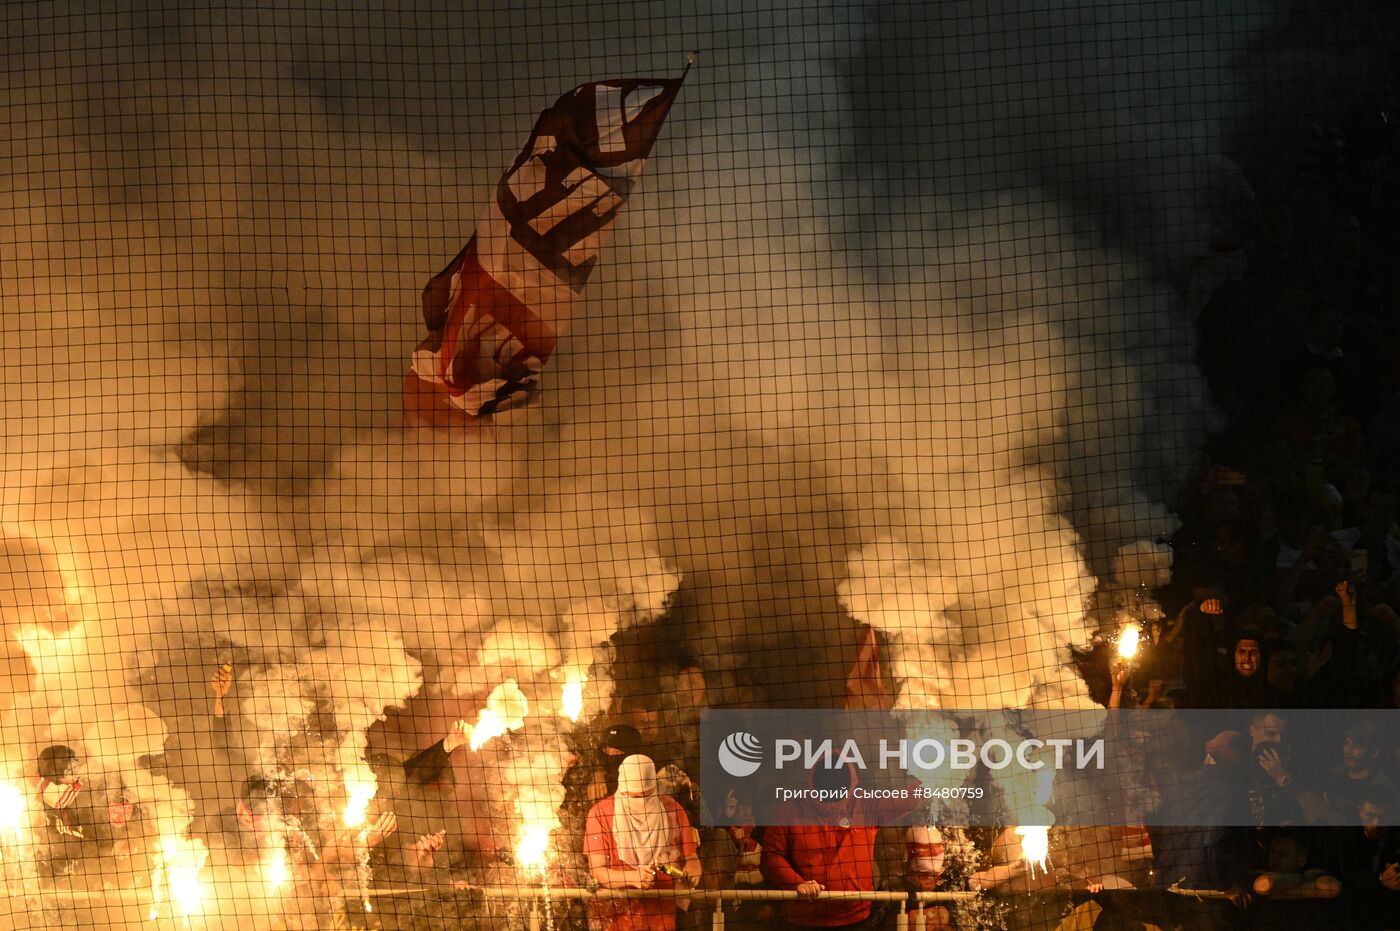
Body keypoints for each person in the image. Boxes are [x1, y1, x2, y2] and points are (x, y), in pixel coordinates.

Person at [760, 763, 923, 930]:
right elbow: (771, 855)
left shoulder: (866, 804)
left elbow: (908, 799)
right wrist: (795, 883)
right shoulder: (790, 810)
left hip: (856, 919)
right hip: (802, 918)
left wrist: (934, 773)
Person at [584, 754, 700, 931]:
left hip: (662, 916)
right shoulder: (599, 814)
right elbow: (597, 871)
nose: (642, 802)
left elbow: (690, 856)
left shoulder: (674, 810)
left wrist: (692, 865)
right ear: (622, 789)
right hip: (615, 917)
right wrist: (633, 877)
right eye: (635, 797)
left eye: (648, 795)